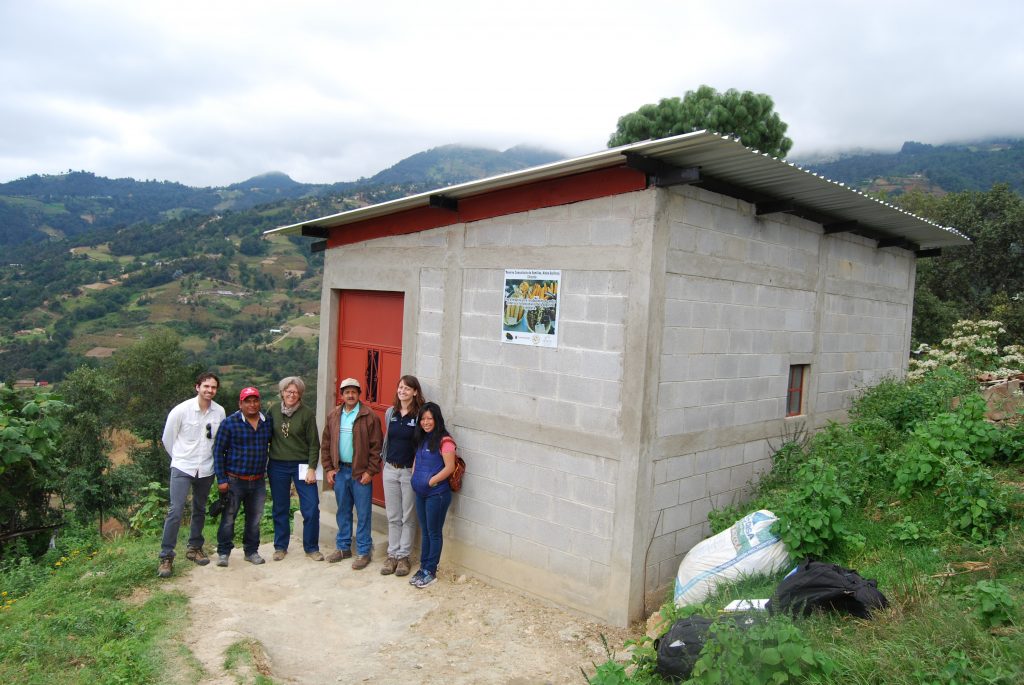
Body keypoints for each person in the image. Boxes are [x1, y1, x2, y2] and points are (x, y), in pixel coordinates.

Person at [157, 372, 226, 578]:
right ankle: (166, 556)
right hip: (182, 467)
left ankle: (194, 548)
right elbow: (167, 439)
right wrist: (179, 458)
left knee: (200, 509)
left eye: (213, 387)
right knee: (175, 510)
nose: (209, 391)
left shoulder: (219, 412)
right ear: (197, 387)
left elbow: (218, 440)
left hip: (206, 468)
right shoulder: (181, 410)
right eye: (206, 386)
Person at [320, 377, 382, 569]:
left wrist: (370, 471)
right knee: (343, 511)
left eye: (354, 391)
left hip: (361, 473)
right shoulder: (334, 416)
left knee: (363, 513)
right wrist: (329, 468)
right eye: (347, 392)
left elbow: (376, 447)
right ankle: (343, 547)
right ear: (342, 395)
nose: (350, 395)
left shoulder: (369, 416)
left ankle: (363, 552)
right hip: (341, 472)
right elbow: (326, 444)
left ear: (359, 394)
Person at [213, 386, 273, 567]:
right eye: (248, 401)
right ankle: (223, 553)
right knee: (228, 518)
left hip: (257, 481)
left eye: (255, 400)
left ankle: (251, 551)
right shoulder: (230, 423)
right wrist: (221, 480)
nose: (252, 404)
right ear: (241, 403)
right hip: (234, 480)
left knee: (254, 519)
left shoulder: (266, 423)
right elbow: (218, 452)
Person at [267, 376, 323, 562]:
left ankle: (311, 547)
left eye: (295, 392)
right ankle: (280, 546)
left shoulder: (306, 414)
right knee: (280, 507)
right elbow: (265, 437)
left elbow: (314, 444)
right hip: (277, 465)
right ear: (282, 392)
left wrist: (312, 468)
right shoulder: (273, 411)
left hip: (302, 465)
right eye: (288, 391)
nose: (291, 395)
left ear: (300, 395)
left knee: (311, 507)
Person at [380, 375, 425, 577]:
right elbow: (388, 440)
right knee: (393, 515)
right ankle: (392, 555)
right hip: (390, 469)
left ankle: (404, 557)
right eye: (400, 387)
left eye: (407, 388)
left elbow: (422, 444)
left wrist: (417, 467)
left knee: (408, 516)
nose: (402, 391)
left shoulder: (419, 416)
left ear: (415, 392)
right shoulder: (391, 413)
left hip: (408, 471)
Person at [409, 401, 457, 588]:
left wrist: (431, 481)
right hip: (421, 493)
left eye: (429, 418)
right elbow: (417, 459)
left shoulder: (445, 441)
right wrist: (414, 476)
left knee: (434, 533)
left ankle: (431, 571)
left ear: (437, 419)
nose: (426, 422)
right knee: (426, 532)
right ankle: (423, 568)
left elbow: (450, 467)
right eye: (423, 419)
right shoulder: (422, 438)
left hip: (436, 494)